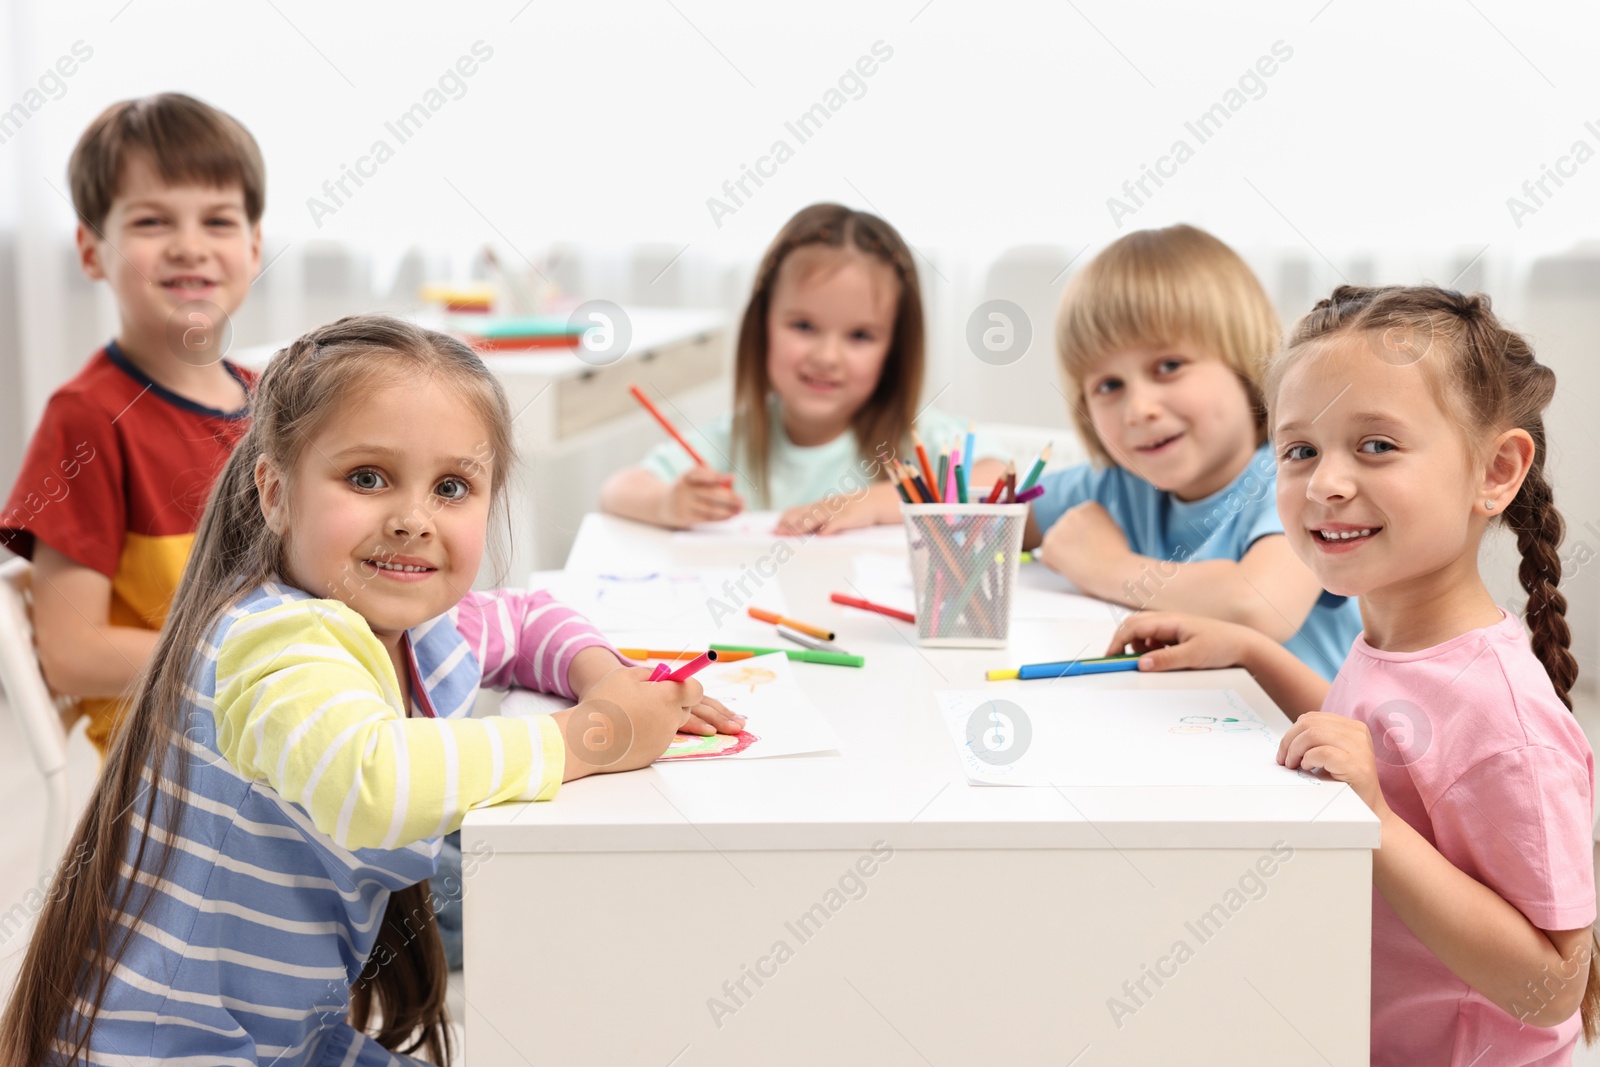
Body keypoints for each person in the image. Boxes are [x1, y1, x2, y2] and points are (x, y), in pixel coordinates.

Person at [0, 315, 740, 1065]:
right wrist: (596, 733)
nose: (413, 519)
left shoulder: (419, 632)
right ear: (275, 492)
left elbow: (524, 619)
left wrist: (608, 678)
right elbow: (370, 778)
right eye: (367, 478)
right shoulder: (273, 640)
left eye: (452, 487)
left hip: (284, 1038)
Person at [1108, 285, 1597, 1063]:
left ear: (1495, 470)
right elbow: (1385, 751)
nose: (1327, 482)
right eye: (1300, 449)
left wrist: (1378, 818)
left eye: (1376, 445)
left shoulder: (1504, 717)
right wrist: (1253, 650)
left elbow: (1555, 989)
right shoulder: (1398, 639)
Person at [0, 93, 265, 754]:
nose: (189, 246)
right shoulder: (89, 419)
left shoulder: (276, 404)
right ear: (91, 250)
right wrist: (257, 665)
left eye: (218, 220)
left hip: (281, 736)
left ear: (254, 246)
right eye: (151, 221)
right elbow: (72, 653)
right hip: (176, 766)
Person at [1025, 224, 1361, 680]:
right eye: (1109, 385)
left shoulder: (1293, 479)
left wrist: (1103, 566)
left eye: (1168, 366)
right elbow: (987, 510)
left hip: (1307, 740)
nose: (1138, 409)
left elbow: (1259, 606)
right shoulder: (1119, 485)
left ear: (1244, 362)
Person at [601, 202, 1004, 534]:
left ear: (894, 350)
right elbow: (618, 490)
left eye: (860, 336)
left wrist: (877, 502)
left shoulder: (917, 440)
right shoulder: (733, 442)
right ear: (762, 328)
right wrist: (669, 503)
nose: (827, 357)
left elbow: (1000, 482)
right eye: (804, 326)